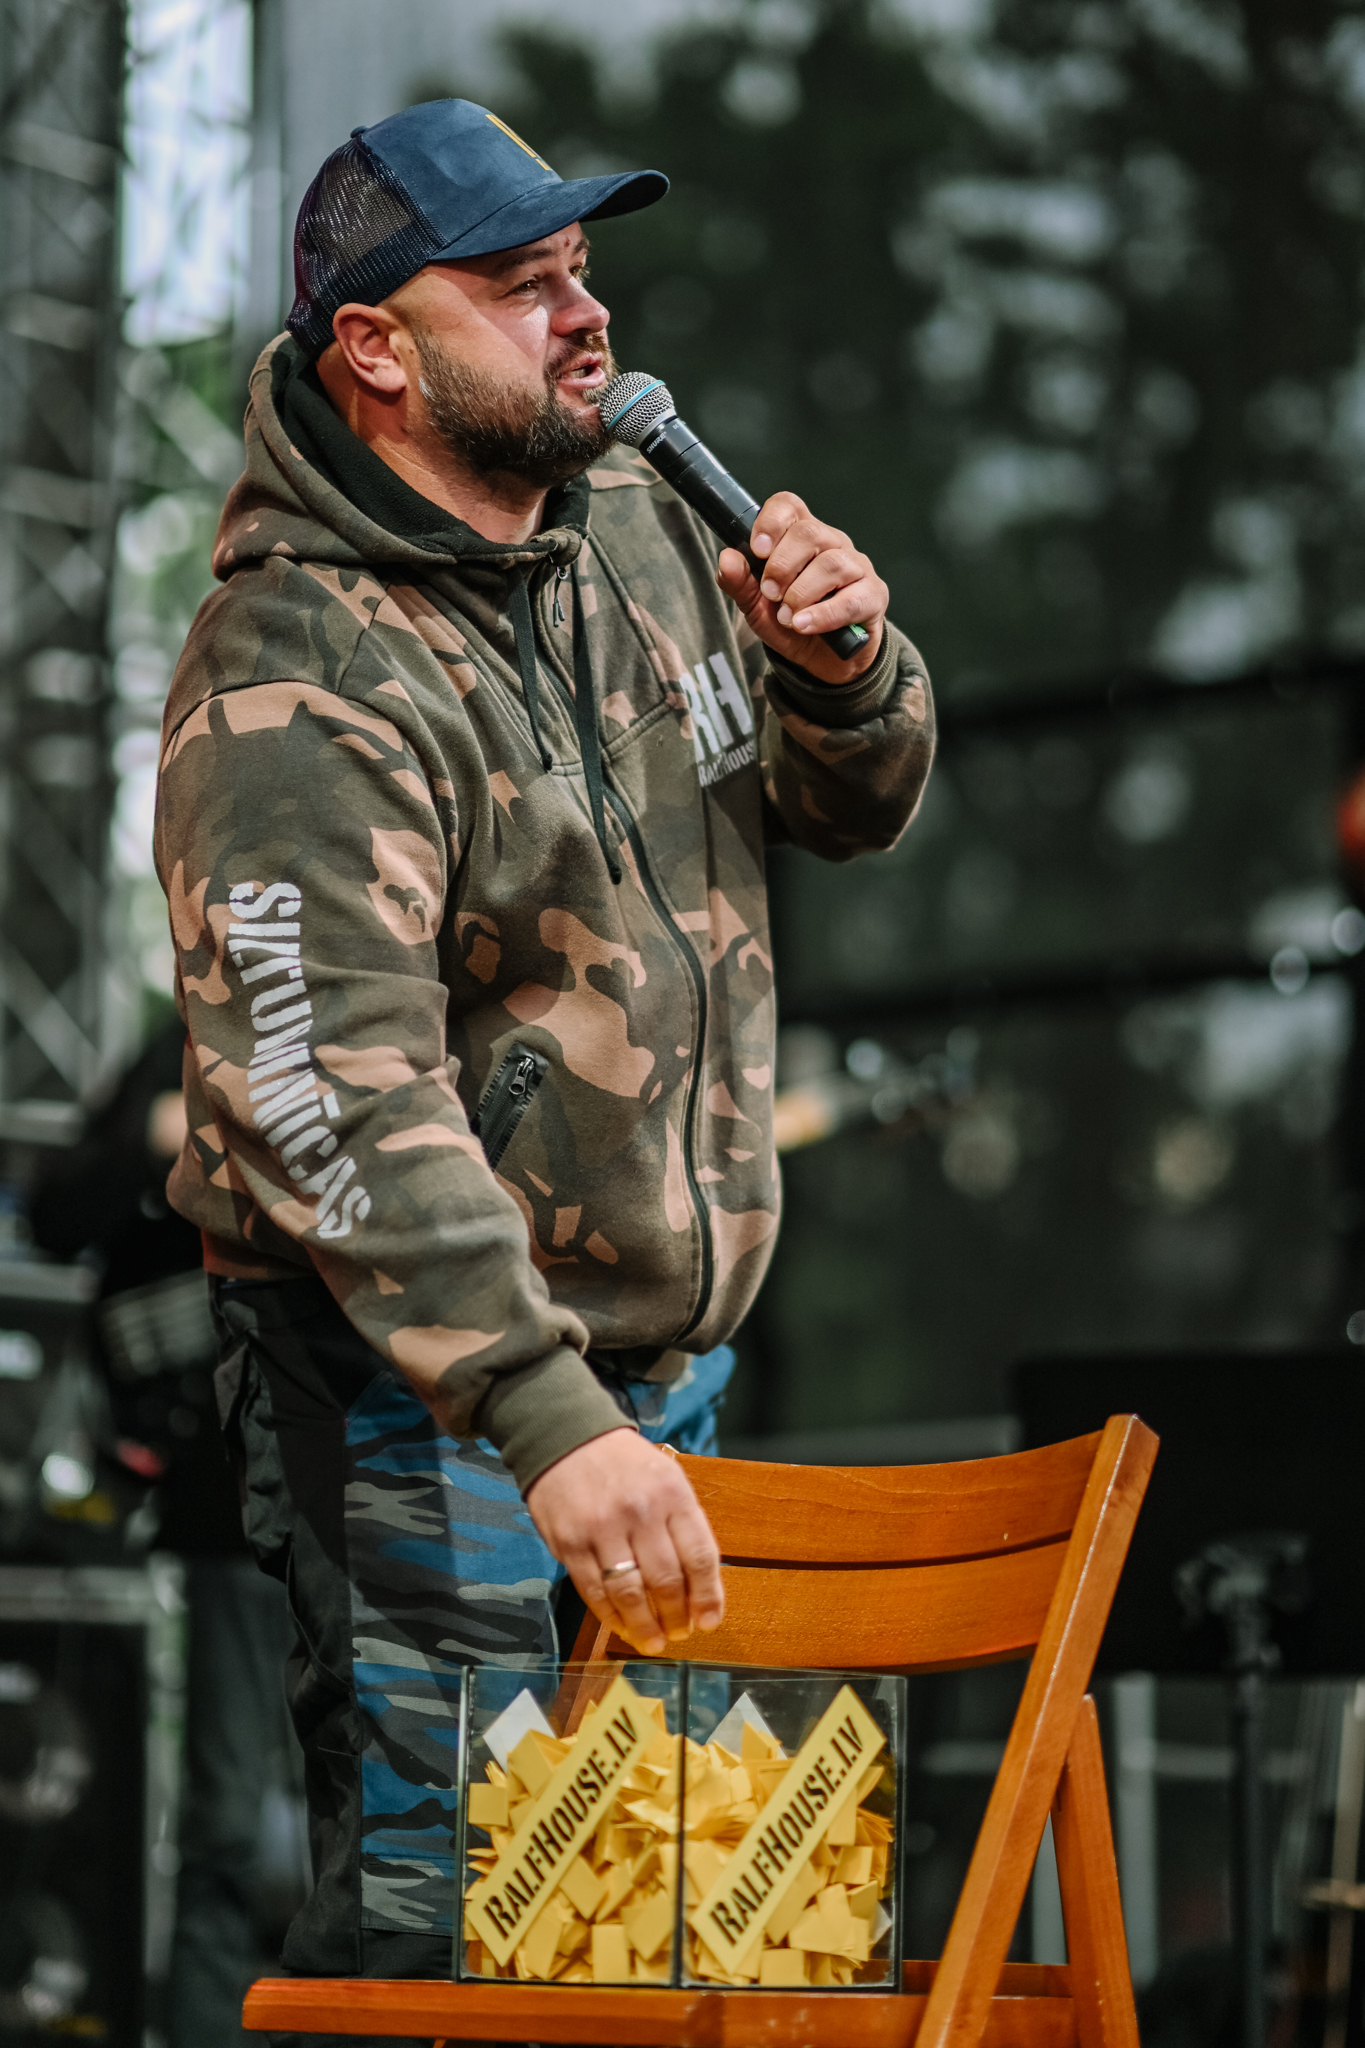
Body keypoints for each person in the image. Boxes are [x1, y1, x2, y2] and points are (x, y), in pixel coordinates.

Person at [152, 96, 935, 1997]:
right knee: (451, 1947)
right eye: (519, 285)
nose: (584, 315)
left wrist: (846, 676)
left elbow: (845, 806)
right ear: (376, 349)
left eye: (580, 270)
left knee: (636, 1952)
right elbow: (326, 1100)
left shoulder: (640, 526)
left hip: (659, 1386)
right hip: (423, 1401)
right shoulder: (296, 667)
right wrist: (544, 1412)